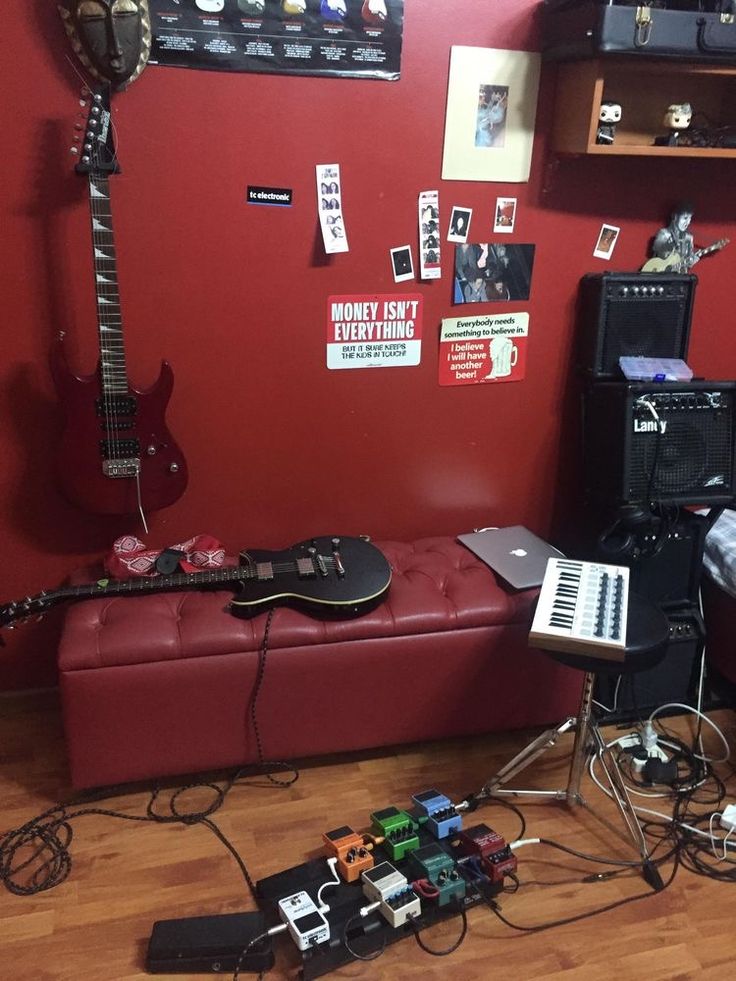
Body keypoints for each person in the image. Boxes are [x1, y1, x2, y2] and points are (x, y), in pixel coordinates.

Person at [651, 204, 699, 272]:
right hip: (661, 274)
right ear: (675, 217)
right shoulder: (664, 234)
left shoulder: (689, 238)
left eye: (690, 219)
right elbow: (657, 250)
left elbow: (688, 262)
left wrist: (691, 261)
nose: (687, 223)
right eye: (685, 218)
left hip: (680, 277)